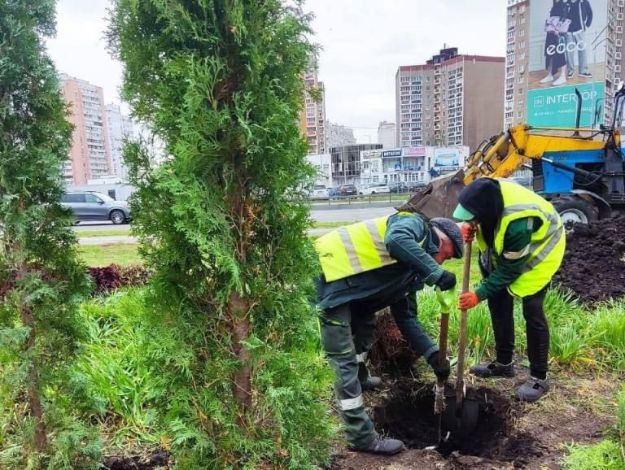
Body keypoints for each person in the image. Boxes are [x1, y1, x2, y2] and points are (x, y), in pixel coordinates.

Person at [314, 207, 464, 455]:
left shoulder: (411, 272)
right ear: (442, 239)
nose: (443, 262)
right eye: (447, 257)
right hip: (330, 277)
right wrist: (436, 272)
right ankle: (361, 436)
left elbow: (406, 318)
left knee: (365, 331)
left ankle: (360, 378)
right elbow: (395, 240)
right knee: (343, 359)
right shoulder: (414, 223)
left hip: (355, 291)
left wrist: (432, 354)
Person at [453, 178, 565, 402]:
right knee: (497, 300)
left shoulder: (517, 223)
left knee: (532, 310)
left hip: (539, 251)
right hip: (510, 252)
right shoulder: (488, 197)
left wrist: (478, 294)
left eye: (474, 217)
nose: (472, 220)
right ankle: (504, 364)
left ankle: (539, 377)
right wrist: (469, 225)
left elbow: (508, 271)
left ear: (486, 211)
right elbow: (495, 249)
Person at [540, 0, 569, 86]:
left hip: (559, 33)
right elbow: (551, 20)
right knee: (549, 53)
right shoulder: (553, 6)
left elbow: (565, 18)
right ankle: (550, 75)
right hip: (551, 33)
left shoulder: (563, 5)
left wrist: (558, 29)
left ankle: (563, 76)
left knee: (560, 53)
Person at [565, 0, 593, 79]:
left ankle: (583, 71)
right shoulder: (567, 3)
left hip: (579, 30)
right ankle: (570, 70)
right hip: (569, 31)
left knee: (583, 50)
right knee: (569, 52)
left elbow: (590, 13)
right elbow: (563, 16)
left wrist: (587, 24)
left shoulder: (583, 2)